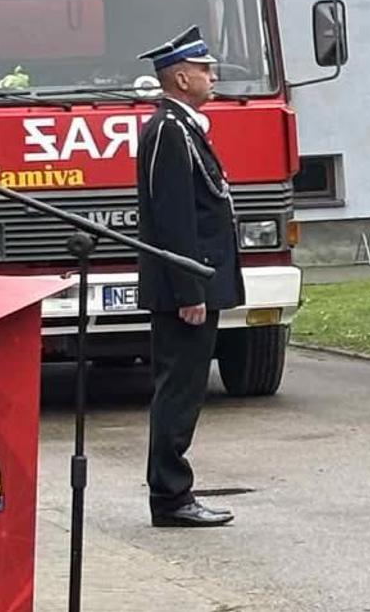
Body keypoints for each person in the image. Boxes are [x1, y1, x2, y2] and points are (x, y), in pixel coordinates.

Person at [135, 27, 244, 527]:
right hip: (186, 288)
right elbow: (173, 217)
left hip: (194, 283)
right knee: (178, 390)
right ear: (180, 77)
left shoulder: (184, 127)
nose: (212, 75)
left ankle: (173, 493)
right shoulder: (170, 131)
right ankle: (172, 497)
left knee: (185, 388)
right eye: (203, 68)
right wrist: (189, 289)